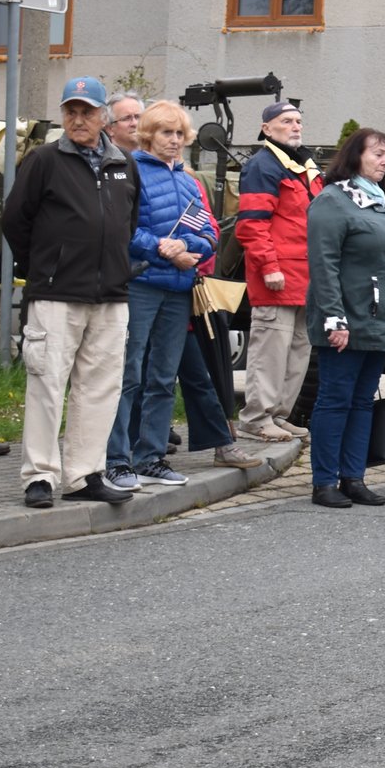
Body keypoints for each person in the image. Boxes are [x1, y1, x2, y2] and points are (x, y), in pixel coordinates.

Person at [103, 101, 260, 490]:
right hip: (141, 286)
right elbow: (120, 228)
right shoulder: (131, 171)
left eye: (178, 134)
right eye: (165, 133)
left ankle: (151, 457)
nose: (173, 141)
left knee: (161, 378)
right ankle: (116, 460)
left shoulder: (189, 180)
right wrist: (161, 247)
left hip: (177, 289)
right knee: (128, 375)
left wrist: (190, 249)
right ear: (148, 136)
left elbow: (209, 232)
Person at [4, 76, 141, 508]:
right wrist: (44, 266)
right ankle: (40, 476)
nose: (78, 120)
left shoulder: (124, 163)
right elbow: (15, 221)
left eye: (87, 112)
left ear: (104, 117)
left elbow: (128, 223)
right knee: (47, 385)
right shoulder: (43, 160)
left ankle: (84, 474)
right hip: (56, 294)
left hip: (111, 296)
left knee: (99, 388)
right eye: (70, 111)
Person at [304, 128, 385, 508]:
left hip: (378, 321)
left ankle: (353, 477)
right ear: (354, 156)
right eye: (378, 154)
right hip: (347, 321)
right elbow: (324, 263)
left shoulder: (378, 203)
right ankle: (323, 482)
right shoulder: (333, 201)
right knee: (335, 400)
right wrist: (335, 318)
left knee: (362, 401)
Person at [235, 99, 322, 444]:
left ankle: (278, 415)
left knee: (297, 350)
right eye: (286, 121)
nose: (296, 126)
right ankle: (256, 418)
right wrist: (269, 267)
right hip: (277, 277)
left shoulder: (303, 166)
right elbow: (251, 226)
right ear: (267, 129)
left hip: (305, 278)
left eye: (298, 120)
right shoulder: (263, 166)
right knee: (270, 350)